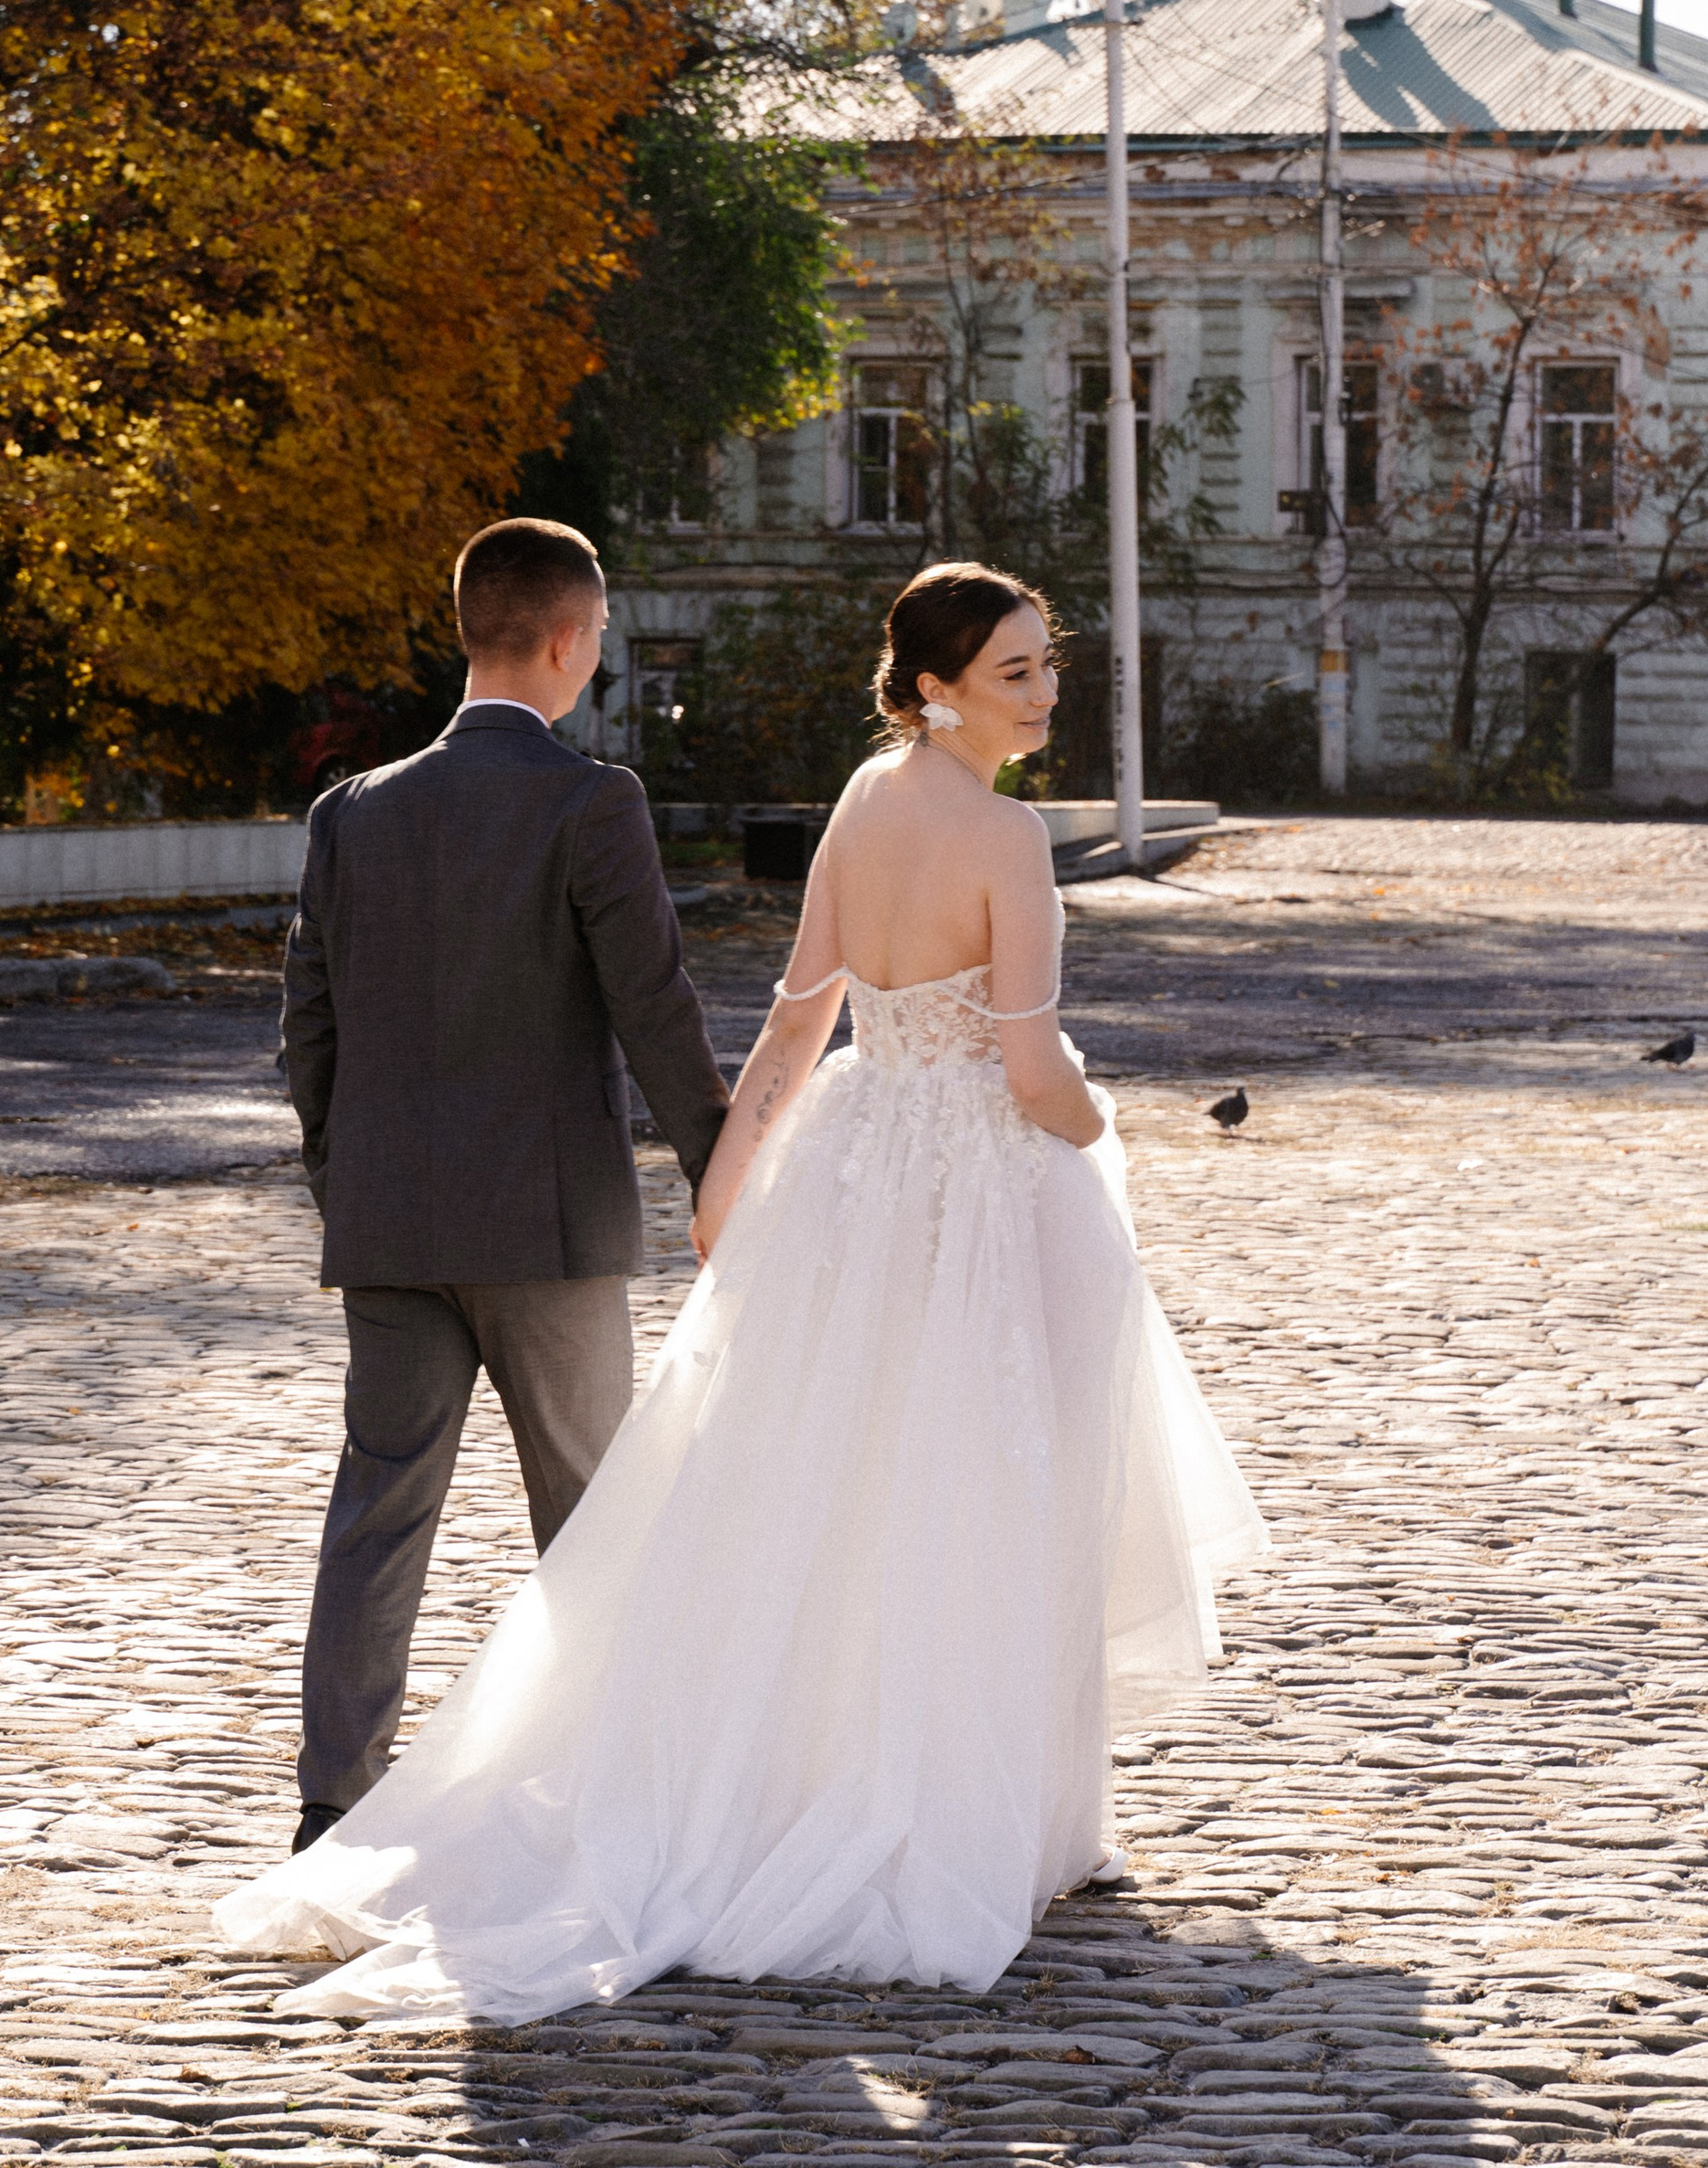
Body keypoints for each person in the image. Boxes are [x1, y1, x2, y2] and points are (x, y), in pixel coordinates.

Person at [217, 560, 1267, 2019]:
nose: (1045, 688)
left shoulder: (832, 803)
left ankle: (370, 1801)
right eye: (1021, 668)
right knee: (911, 1495)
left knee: (776, 1494)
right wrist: (1104, 1128)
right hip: (900, 1189)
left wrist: (728, 1187)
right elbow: (989, 1065)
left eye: (1045, 664)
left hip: (772, 1184)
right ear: (940, 683)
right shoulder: (979, 835)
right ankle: (891, 1804)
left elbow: (786, 1021)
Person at [274, 515, 732, 1858]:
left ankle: (333, 1800)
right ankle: (617, 1796)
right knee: (591, 1516)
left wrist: (345, 1177)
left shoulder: (352, 810)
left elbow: (309, 1026)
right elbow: (656, 1010)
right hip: (550, 1232)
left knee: (377, 1512)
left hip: (392, 1223)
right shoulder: (595, 803)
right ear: (566, 641)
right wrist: (725, 1180)